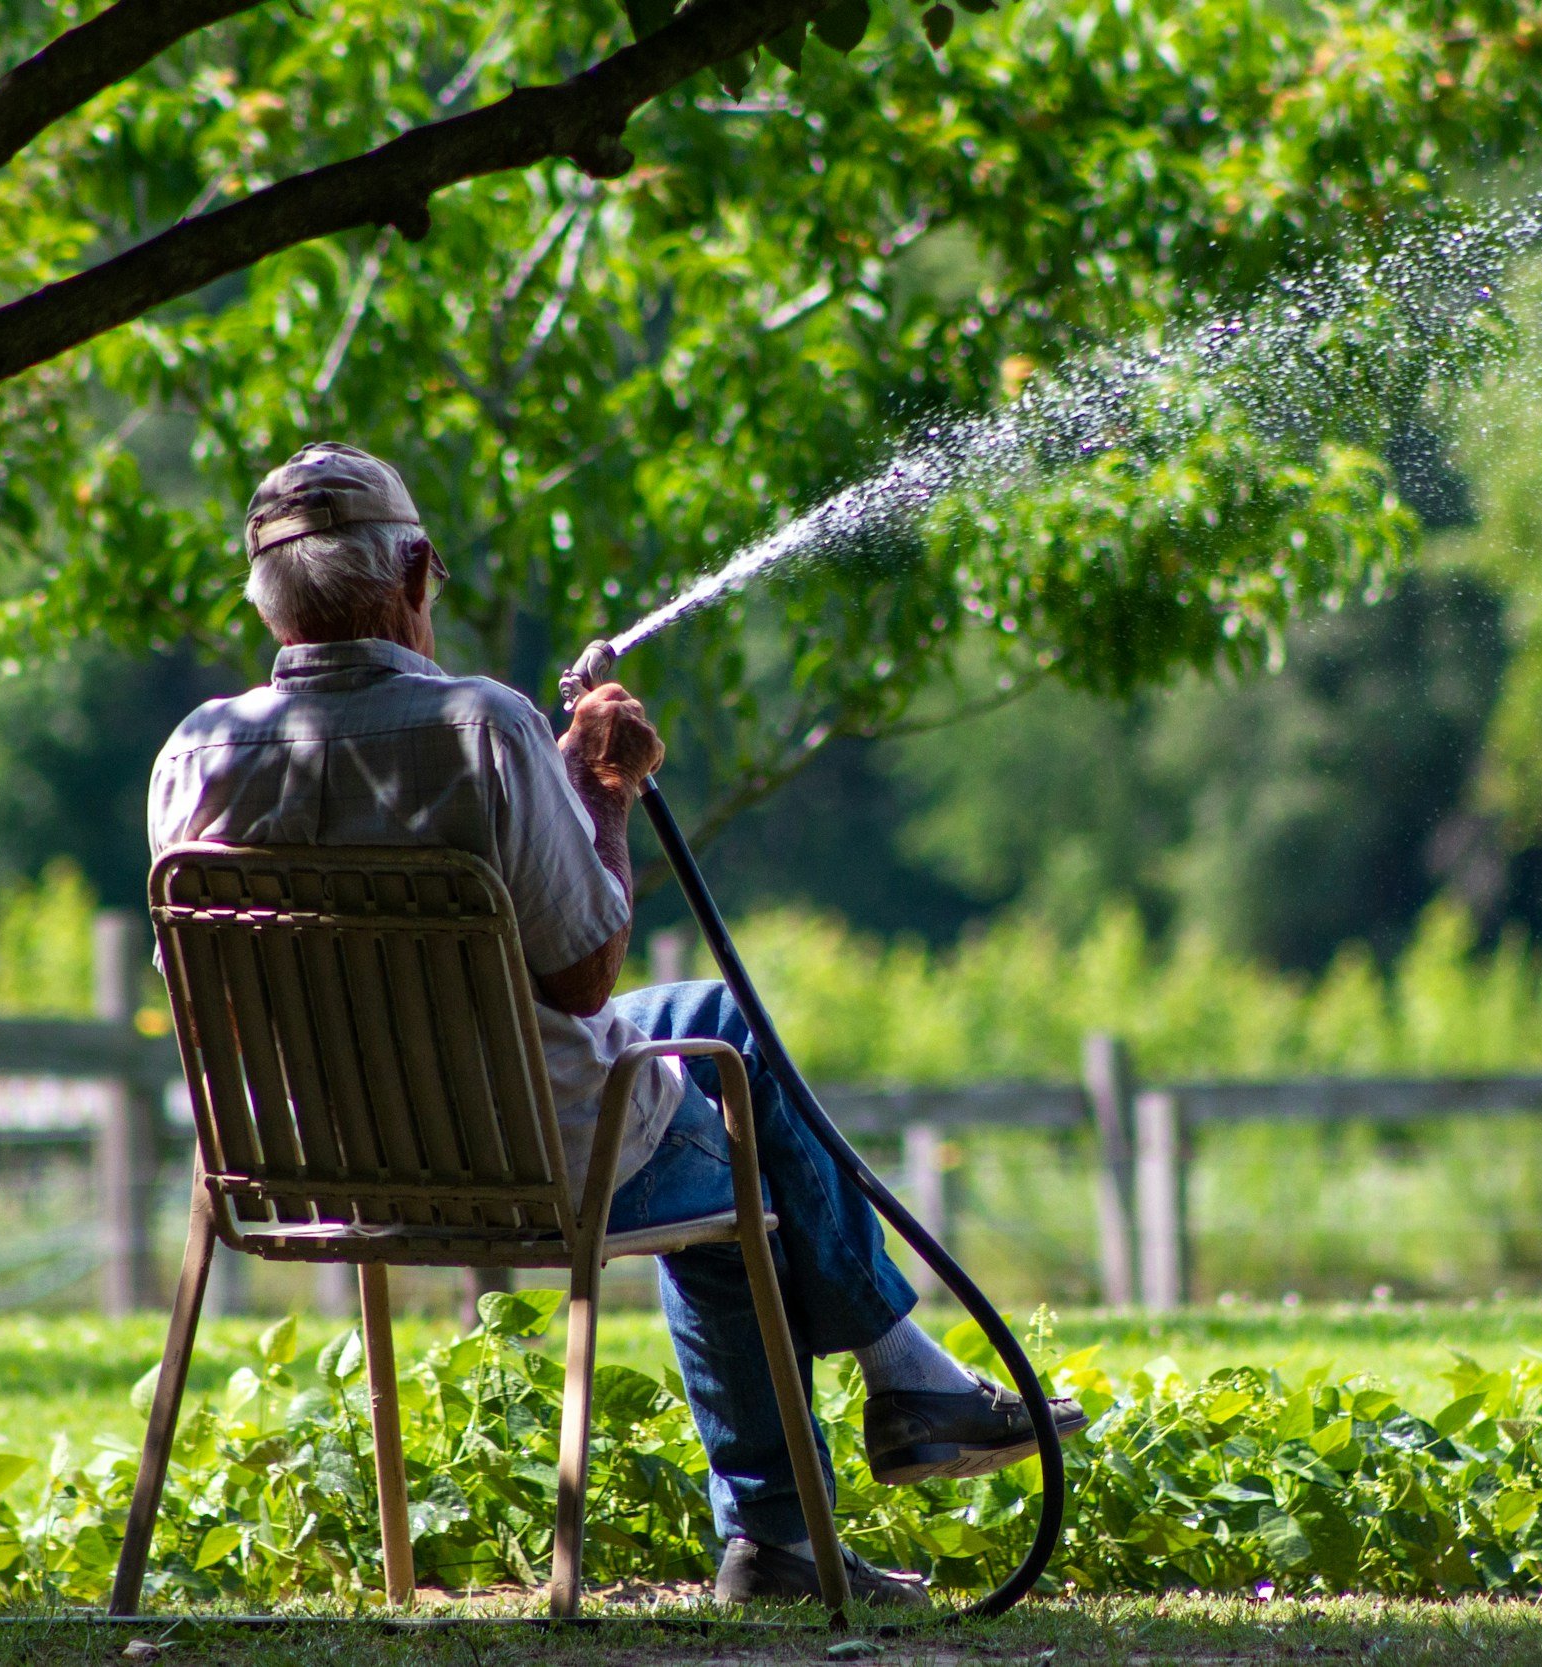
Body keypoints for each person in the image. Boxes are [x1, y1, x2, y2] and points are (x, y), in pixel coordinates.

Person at [149, 443, 1085, 1607]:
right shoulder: (485, 729)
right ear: (417, 571)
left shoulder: (196, 750)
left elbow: (216, 993)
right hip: (530, 1160)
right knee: (733, 1136)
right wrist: (596, 792)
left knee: (712, 1020)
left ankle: (902, 1390)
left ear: (264, 596)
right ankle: (830, 1470)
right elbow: (586, 975)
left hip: (302, 1164)